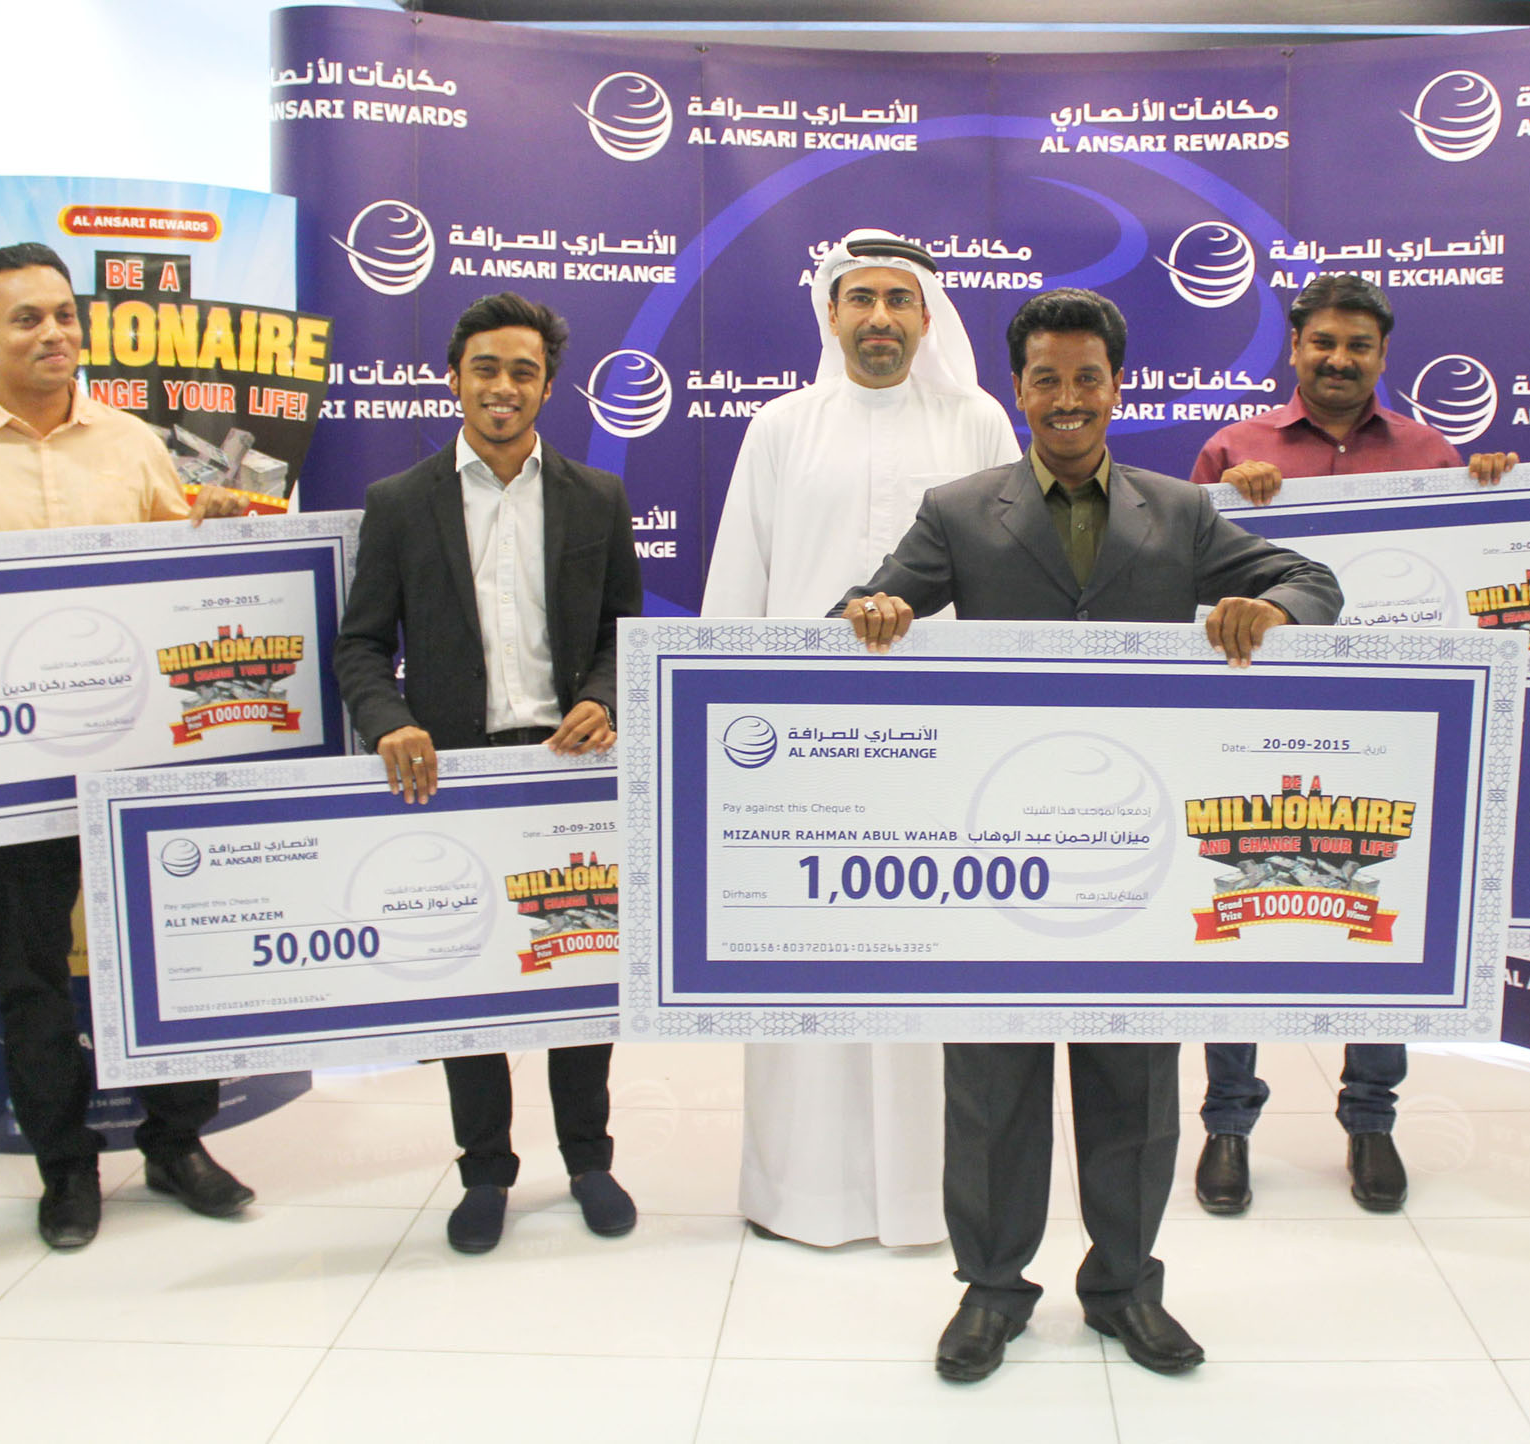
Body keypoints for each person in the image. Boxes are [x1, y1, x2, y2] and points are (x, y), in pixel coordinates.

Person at [836, 289, 1343, 1381]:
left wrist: (1270, 612)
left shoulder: (1182, 511)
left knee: (1135, 1086)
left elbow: (1313, 581)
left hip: (1135, 860)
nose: (1066, 399)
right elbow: (868, 607)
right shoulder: (958, 511)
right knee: (990, 1089)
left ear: (1117, 387)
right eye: (1045, 380)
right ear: (1017, 390)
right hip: (998, 856)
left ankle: (1123, 1287)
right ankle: (991, 1290)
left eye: (1086, 379)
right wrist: (872, 612)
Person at [0, 242, 251, 1249]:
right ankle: (66, 1168)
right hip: (4, 772)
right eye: (26, 317)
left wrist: (211, 526)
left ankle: (176, 1142)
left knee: (169, 951)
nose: (52, 334)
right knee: (32, 976)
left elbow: (177, 589)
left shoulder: (131, 445)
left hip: (135, 760)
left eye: (64, 315)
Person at [704, 229, 1019, 1248]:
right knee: (808, 971)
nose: (879, 318)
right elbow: (738, 584)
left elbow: (1011, 579)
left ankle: (930, 1200)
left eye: (898, 300)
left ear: (927, 317)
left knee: (927, 975)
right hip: (802, 752)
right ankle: (801, 1194)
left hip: (941, 750)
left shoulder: (977, 421)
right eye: (860, 299)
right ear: (831, 314)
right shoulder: (781, 428)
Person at [1184, 272, 1516, 1218]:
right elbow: (1183, 577)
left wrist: (1494, 496)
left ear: (1382, 355)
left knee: (1381, 915)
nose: (1338, 360)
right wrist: (1232, 505)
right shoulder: (1233, 451)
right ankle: (1227, 1125)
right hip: (1257, 727)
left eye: (1358, 346)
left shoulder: (1429, 452)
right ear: (1295, 347)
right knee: (1241, 915)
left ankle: (1371, 1119)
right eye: (1323, 343)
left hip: (1389, 733)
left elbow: (1470, 576)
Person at [334, 292, 643, 1254]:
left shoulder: (597, 497)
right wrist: (389, 721)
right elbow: (359, 645)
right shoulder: (400, 502)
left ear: (547, 387)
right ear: (454, 379)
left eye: (522, 372)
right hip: (454, 774)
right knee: (467, 975)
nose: (502, 387)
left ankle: (588, 1159)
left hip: (569, 769)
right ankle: (484, 1171)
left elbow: (623, 635)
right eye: (485, 369)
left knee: (579, 966)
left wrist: (608, 696)